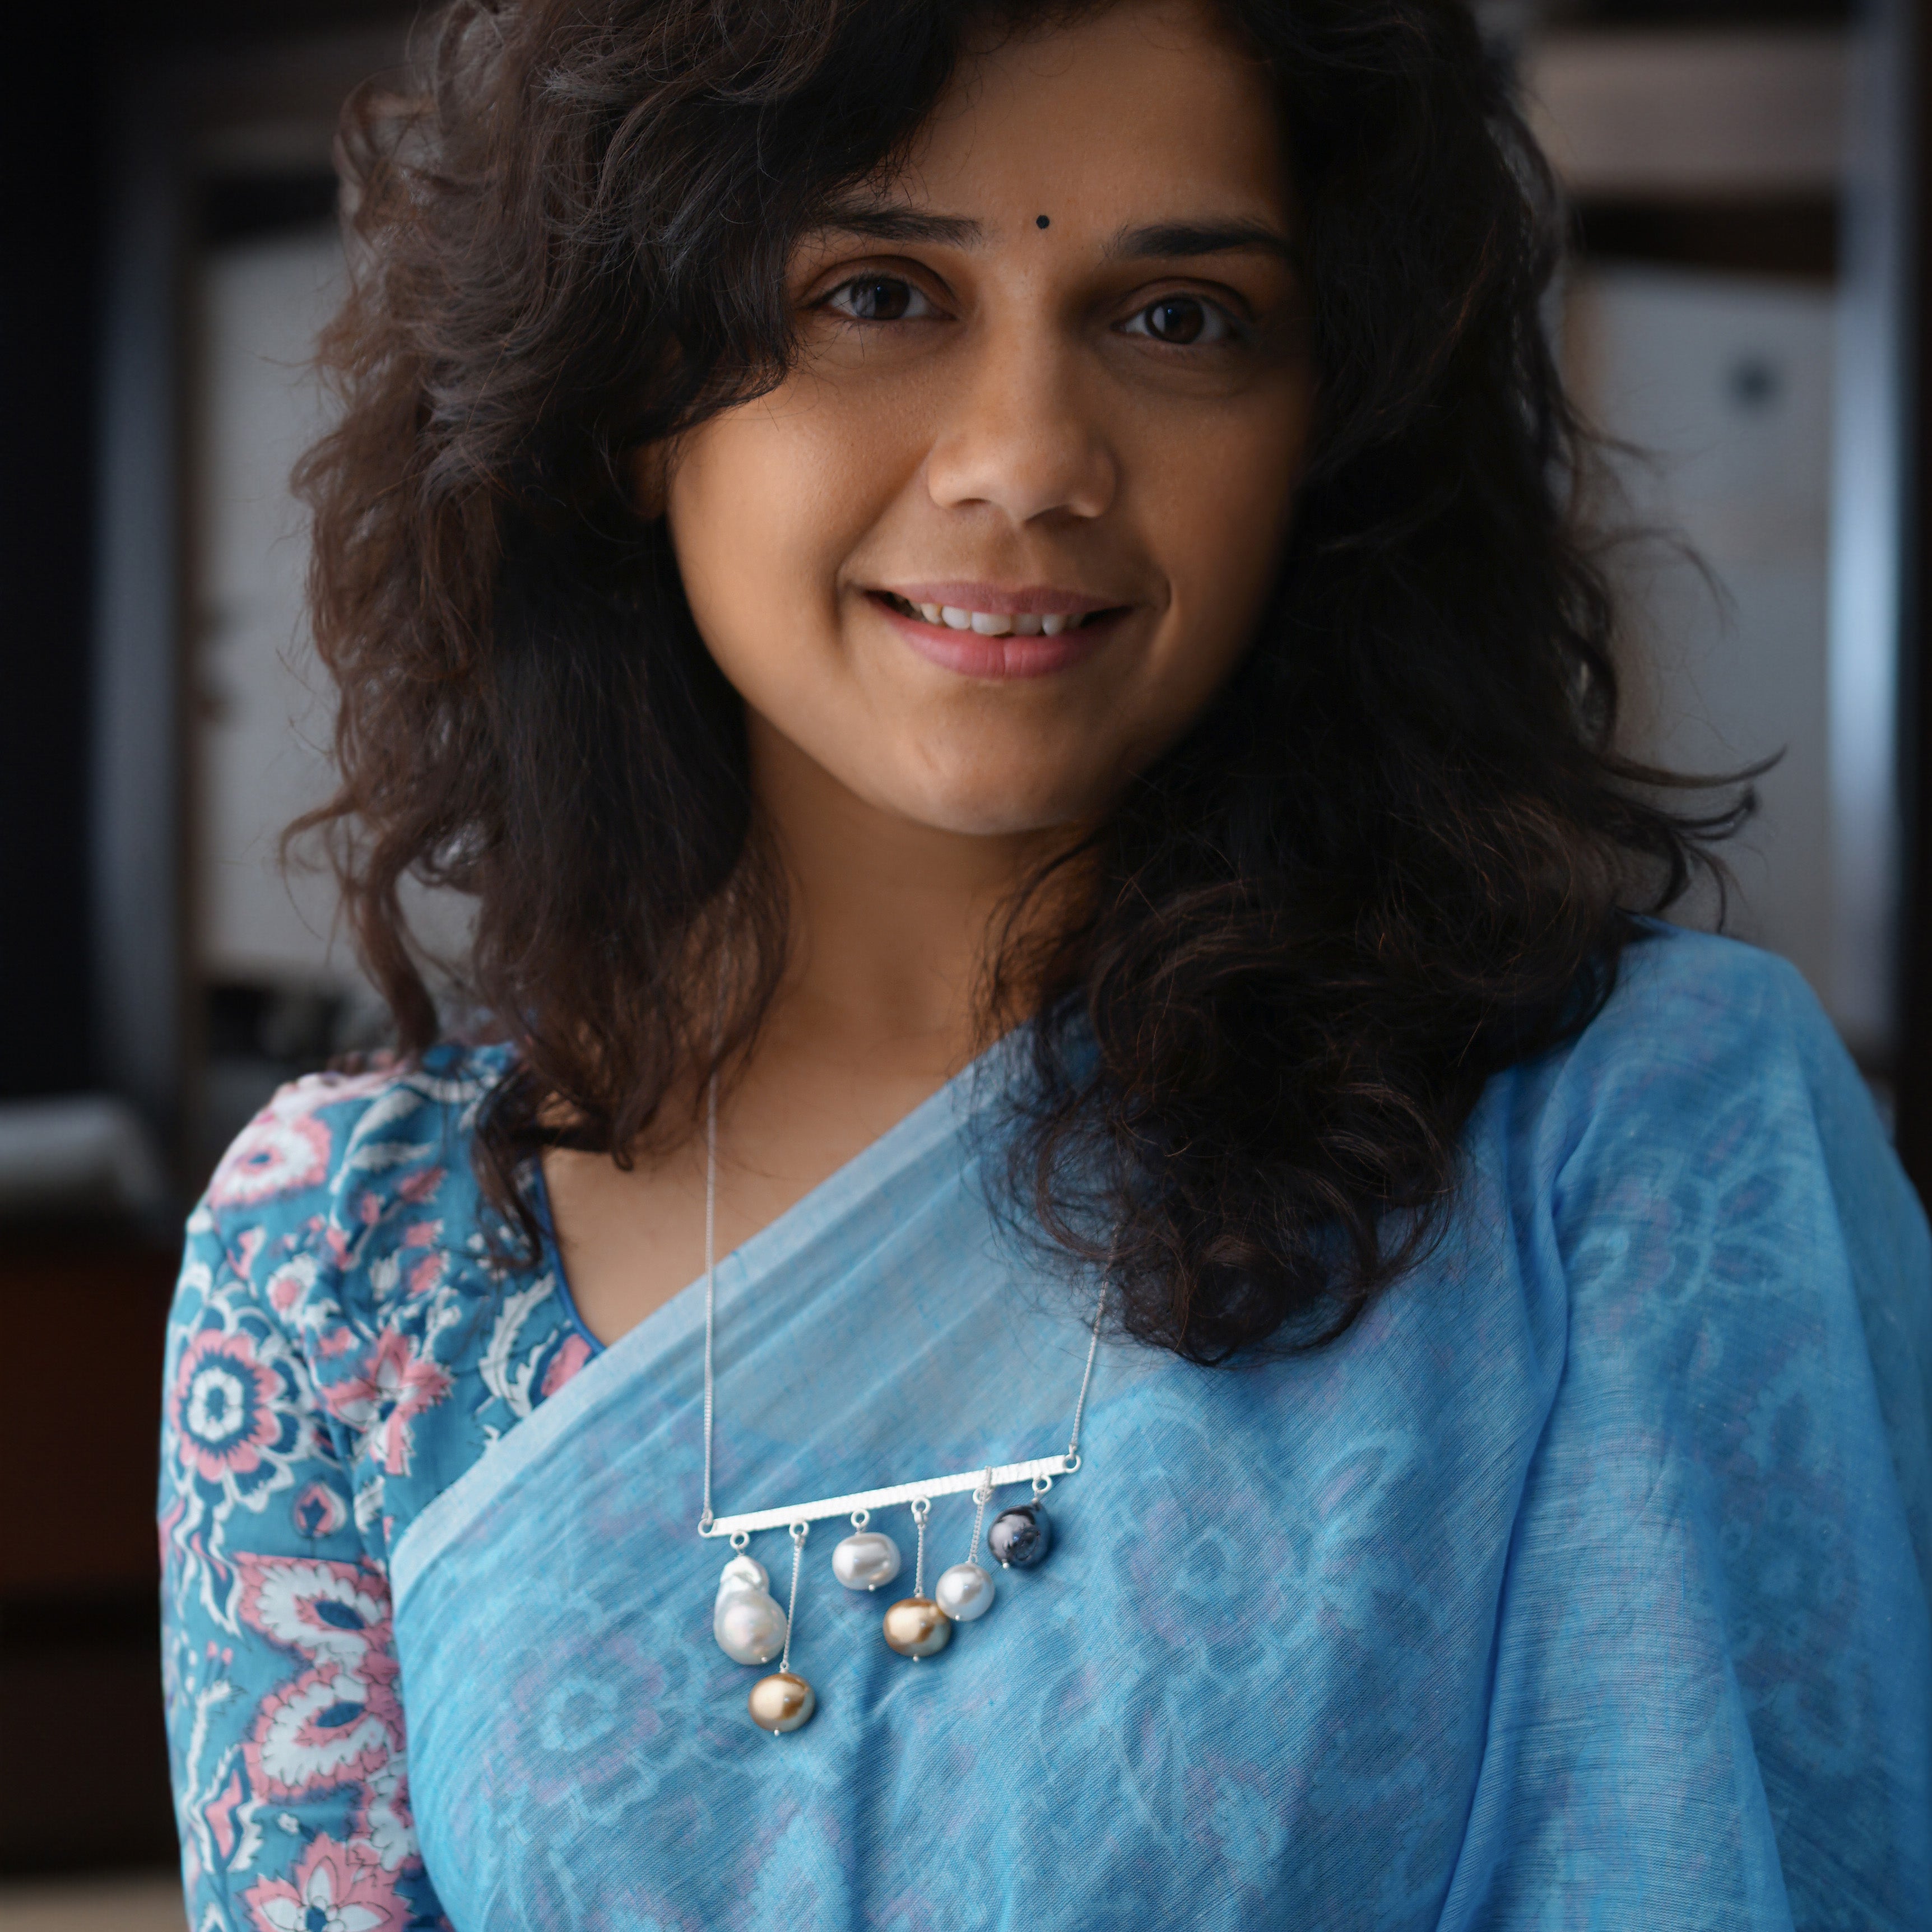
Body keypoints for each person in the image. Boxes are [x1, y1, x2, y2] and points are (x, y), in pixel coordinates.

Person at [159, 0, 1931, 1924]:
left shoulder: (1617, 1142)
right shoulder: (348, 1263)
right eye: (875, 292)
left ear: (1329, 433)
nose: (1029, 460)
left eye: (1180, 318)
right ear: (624, 401)